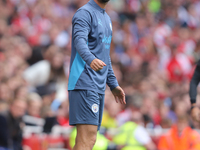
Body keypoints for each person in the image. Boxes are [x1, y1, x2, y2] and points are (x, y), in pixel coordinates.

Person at [68, 0, 126, 150]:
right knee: (86, 139)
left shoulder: (107, 18)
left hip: (98, 85)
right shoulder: (84, 13)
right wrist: (90, 59)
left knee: (90, 140)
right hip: (84, 81)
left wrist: (113, 84)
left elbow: (105, 56)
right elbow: (79, 41)